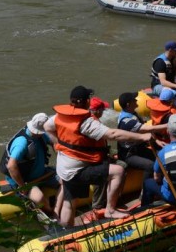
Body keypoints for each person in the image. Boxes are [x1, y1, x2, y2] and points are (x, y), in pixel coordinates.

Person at [46, 86, 153, 226]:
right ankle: (110, 210)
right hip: (77, 170)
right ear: (87, 102)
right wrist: (144, 137)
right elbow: (114, 134)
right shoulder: (86, 123)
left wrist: (60, 146)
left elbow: (47, 128)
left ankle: (66, 230)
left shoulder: (59, 116)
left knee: (69, 203)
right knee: (118, 171)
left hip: (64, 168)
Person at [0, 112, 59, 217]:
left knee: (66, 181)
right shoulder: (21, 143)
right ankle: (50, 212)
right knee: (39, 198)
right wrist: (22, 187)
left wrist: (60, 160)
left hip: (42, 174)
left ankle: (57, 209)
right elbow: (11, 166)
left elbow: (55, 143)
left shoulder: (41, 135)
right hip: (26, 181)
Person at [116, 91, 170, 177]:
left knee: (161, 156)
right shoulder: (127, 121)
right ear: (128, 104)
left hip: (139, 148)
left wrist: (156, 141)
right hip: (129, 155)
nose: (136, 100)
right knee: (151, 165)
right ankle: (147, 187)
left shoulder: (132, 113)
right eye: (134, 100)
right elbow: (148, 128)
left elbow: (146, 129)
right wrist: (169, 125)